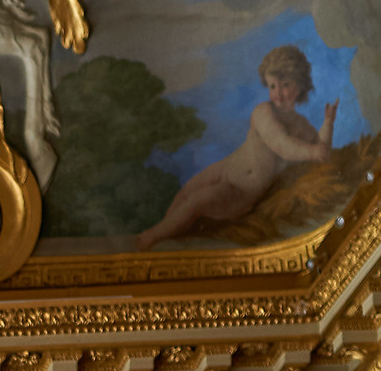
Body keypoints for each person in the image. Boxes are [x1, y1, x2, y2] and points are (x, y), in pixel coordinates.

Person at [137, 49, 336, 249]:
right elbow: (279, 142)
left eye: (285, 85)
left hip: (240, 192)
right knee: (185, 192)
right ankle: (166, 232)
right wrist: (313, 151)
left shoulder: (302, 128)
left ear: (300, 85)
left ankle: (151, 237)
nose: (277, 93)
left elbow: (320, 150)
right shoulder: (263, 112)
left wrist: (328, 123)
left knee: (197, 201)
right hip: (225, 168)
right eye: (272, 85)